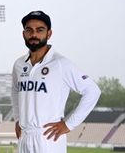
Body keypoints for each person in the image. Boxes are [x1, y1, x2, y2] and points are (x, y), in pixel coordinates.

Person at [11, 11, 101, 153]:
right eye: (29, 30)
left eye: (40, 30)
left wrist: (69, 124)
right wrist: (17, 119)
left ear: (49, 34)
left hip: (48, 137)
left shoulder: (60, 64)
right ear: (24, 34)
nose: (34, 35)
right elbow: (15, 92)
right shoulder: (19, 64)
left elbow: (92, 91)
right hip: (24, 136)